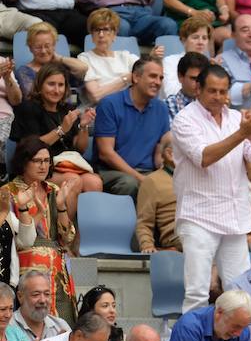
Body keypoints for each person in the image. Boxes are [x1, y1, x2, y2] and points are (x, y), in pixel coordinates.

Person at [171, 64, 251, 313]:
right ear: (198, 89)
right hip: (199, 216)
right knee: (197, 293)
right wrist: (242, 133)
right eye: (212, 90)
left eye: (223, 92)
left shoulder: (237, 118)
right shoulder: (184, 120)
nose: (218, 97)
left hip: (235, 217)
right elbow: (204, 157)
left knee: (241, 294)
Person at [10, 64, 103, 218]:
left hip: (66, 165)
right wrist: (61, 130)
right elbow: (32, 147)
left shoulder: (66, 109)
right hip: (38, 166)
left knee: (95, 182)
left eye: (61, 85)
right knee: (73, 181)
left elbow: (79, 148)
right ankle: (64, 235)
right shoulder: (28, 108)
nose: (57, 90)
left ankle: (83, 236)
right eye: (51, 84)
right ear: (40, 85)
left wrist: (83, 126)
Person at [5, 139, 77, 323]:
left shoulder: (53, 190)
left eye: (47, 161)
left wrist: (61, 207)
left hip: (57, 270)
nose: (43, 166)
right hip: (25, 264)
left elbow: (67, 238)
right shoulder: (8, 192)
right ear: (24, 162)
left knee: (62, 326)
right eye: (38, 161)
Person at [94, 57, 170, 200]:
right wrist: (141, 178)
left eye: (161, 78)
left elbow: (160, 150)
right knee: (130, 183)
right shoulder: (109, 104)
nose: (158, 82)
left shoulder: (161, 108)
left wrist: (163, 173)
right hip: (112, 171)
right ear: (135, 77)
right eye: (153, 76)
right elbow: (106, 153)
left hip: (148, 172)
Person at [77, 9, 146, 106]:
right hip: (98, 111)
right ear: (91, 35)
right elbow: (96, 96)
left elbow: (145, 73)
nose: (101, 35)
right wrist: (125, 79)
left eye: (106, 29)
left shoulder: (125, 57)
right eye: (97, 30)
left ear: (114, 34)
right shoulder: (85, 58)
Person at [13, 22, 87, 99]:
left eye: (47, 46)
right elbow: (32, 97)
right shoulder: (24, 72)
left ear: (54, 45)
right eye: (38, 47)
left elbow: (83, 68)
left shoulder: (63, 66)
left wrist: (60, 59)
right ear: (30, 48)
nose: (43, 51)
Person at [136, 135, 182, 254]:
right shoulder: (152, 181)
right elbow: (144, 222)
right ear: (170, 154)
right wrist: (147, 244)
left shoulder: (198, 177)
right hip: (179, 235)